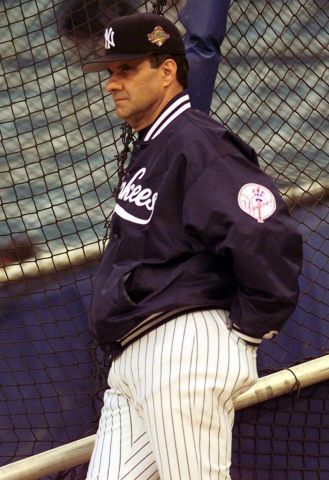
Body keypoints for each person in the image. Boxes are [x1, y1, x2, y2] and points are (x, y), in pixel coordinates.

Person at [82, 12, 303, 480]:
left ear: (166, 71)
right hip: (132, 362)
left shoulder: (198, 142)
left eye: (127, 69)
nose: (113, 83)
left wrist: (241, 334)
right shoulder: (153, 147)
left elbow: (266, 232)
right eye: (110, 72)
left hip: (182, 348)